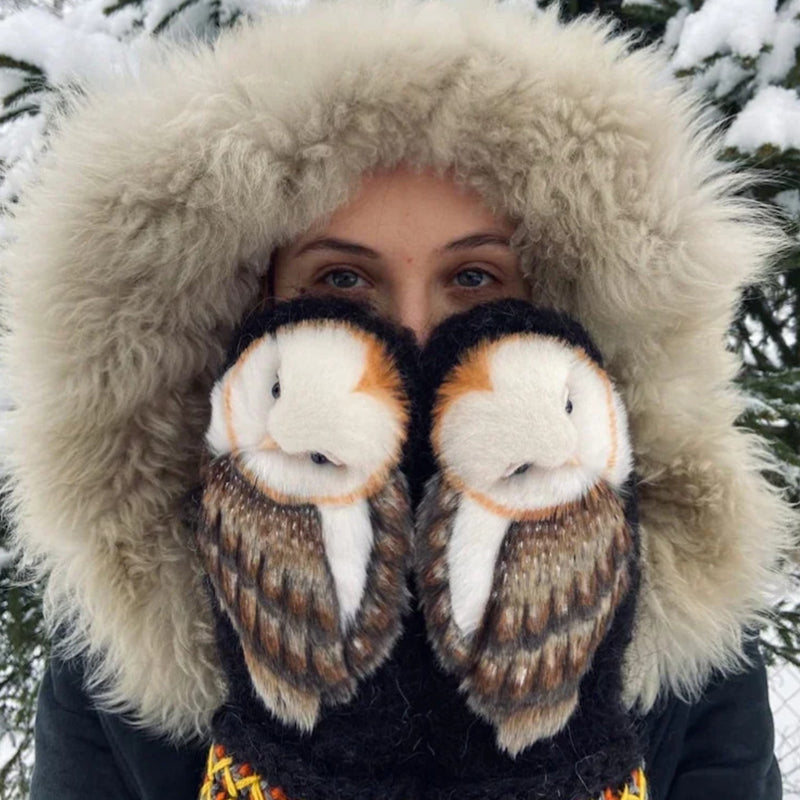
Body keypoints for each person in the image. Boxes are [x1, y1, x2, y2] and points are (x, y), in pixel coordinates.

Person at [3, 1, 789, 798]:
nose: (412, 333)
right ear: (251, 308)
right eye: (342, 280)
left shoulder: (682, 643)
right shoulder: (122, 663)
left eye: (474, 278)